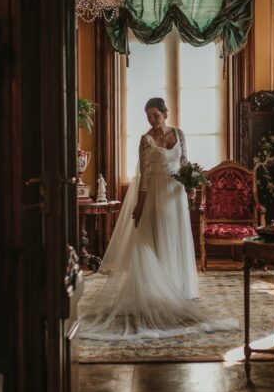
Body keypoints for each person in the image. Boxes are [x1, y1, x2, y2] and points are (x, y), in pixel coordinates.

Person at [80, 97, 233, 339]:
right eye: (148, 116)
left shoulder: (179, 134)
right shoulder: (146, 140)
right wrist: (140, 206)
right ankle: (158, 293)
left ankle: (178, 289)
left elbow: (184, 163)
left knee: (177, 238)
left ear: (165, 113)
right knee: (157, 238)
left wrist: (191, 186)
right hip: (155, 195)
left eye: (155, 115)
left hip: (176, 195)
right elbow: (145, 175)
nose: (152, 120)